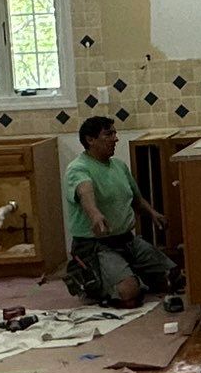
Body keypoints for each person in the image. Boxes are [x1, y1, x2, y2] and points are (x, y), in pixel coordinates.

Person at [62, 114, 182, 307]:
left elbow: (136, 198)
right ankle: (90, 280)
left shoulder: (119, 166)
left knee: (174, 277)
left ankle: (127, 271)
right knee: (128, 293)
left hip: (126, 240)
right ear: (90, 140)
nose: (115, 139)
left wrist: (153, 213)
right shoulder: (78, 168)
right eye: (108, 134)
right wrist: (95, 214)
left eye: (115, 133)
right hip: (95, 246)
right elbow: (84, 190)